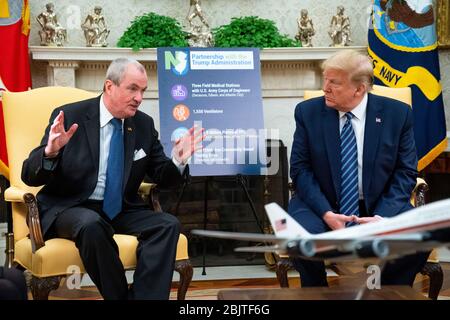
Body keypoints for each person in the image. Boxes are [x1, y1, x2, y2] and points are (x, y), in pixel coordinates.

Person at [21, 58, 204, 300]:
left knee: (167, 224)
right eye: (132, 89)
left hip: (119, 208)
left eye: (142, 91)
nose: (139, 98)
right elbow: (29, 175)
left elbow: (163, 176)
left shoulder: (143, 125)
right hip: (71, 206)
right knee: (91, 224)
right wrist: (50, 152)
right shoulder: (71, 116)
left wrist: (179, 160)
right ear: (110, 86)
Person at [289, 50, 429, 287]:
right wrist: (326, 213)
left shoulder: (398, 114)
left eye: (334, 82)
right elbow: (300, 169)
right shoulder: (307, 112)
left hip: (378, 203)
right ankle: (316, 293)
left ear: (359, 89)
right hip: (323, 203)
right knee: (298, 236)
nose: (325, 88)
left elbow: (405, 171)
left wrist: (382, 218)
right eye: (325, 79)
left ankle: (388, 291)